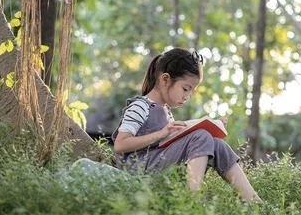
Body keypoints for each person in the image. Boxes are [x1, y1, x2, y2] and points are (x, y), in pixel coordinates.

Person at [111, 47, 261, 202]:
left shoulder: (166, 111)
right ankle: (192, 200)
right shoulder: (140, 106)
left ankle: (253, 201)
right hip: (138, 168)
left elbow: (168, 143)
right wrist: (161, 134)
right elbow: (120, 145)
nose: (187, 97)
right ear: (165, 79)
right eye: (185, 89)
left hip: (157, 163)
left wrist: (210, 126)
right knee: (201, 136)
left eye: (191, 92)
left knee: (216, 143)